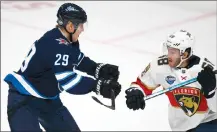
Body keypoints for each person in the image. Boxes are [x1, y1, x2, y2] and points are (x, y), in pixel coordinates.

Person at [4, 3, 121, 132]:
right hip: (23, 100)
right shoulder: (57, 45)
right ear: (70, 26)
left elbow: (77, 59)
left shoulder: (63, 40)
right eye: (81, 25)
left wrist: (97, 69)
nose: (82, 29)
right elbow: (69, 81)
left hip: (48, 101)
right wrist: (97, 86)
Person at [125, 29, 217, 131]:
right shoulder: (161, 66)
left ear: (185, 54)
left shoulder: (207, 71)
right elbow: (141, 84)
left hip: (208, 122)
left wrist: (211, 92)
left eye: (173, 52)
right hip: (180, 126)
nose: (169, 55)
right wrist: (135, 92)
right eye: (169, 50)